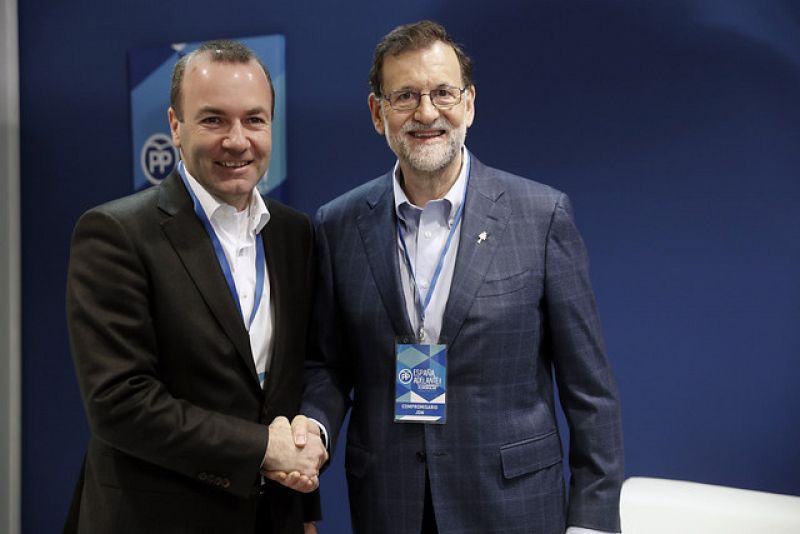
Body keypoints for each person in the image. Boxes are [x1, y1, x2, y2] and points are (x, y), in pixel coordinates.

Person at [300, 21, 624, 534]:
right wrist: (313, 426)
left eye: (442, 93)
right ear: (376, 113)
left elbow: (590, 391)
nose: (426, 113)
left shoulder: (540, 215)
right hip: (390, 505)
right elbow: (328, 364)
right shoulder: (337, 224)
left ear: (468, 104)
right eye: (404, 96)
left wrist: (593, 520)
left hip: (514, 505)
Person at [65, 40, 326, 534]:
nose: (236, 140)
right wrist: (260, 449)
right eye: (213, 120)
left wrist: (302, 511)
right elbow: (119, 403)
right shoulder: (115, 233)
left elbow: (291, 383)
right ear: (175, 127)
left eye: (254, 119)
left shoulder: (295, 234)